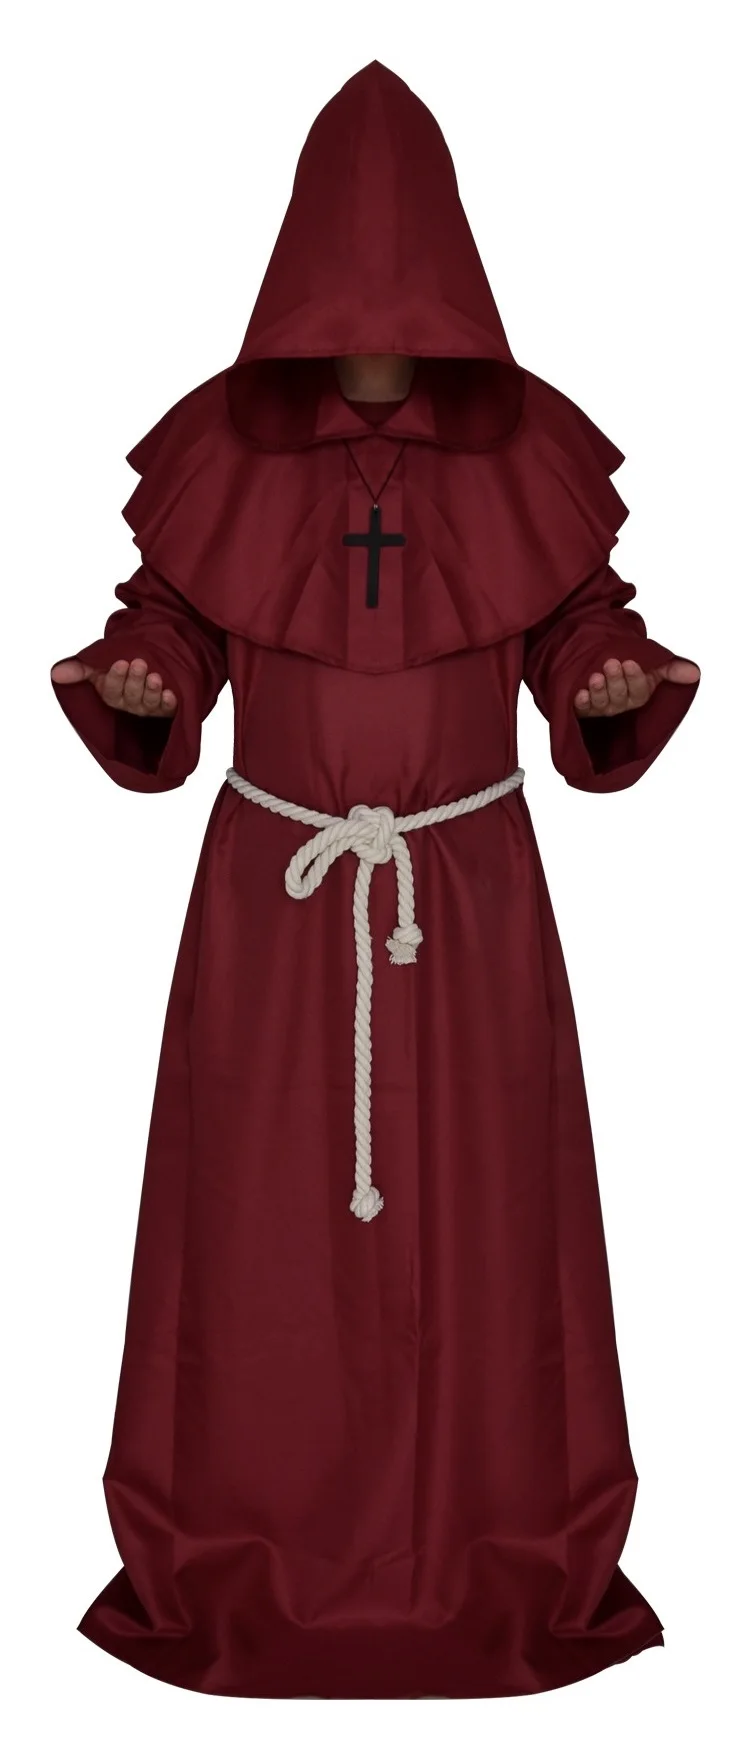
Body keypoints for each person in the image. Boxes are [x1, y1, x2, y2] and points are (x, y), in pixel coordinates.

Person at [51, 60, 700, 1700]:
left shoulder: (522, 455)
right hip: (277, 909)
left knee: (489, 1227)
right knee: (258, 1240)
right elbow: (174, 621)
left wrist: (602, 679)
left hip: (460, 898)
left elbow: (574, 622)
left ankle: (492, 1540)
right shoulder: (226, 454)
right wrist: (146, 680)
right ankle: (248, 1537)